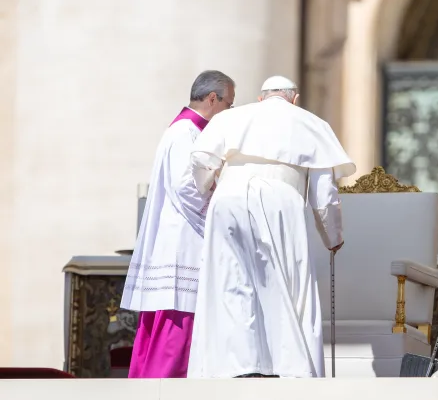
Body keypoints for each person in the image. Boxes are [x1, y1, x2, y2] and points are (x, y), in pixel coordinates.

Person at [184, 75, 355, 378]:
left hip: (228, 198)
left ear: (261, 98)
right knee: (284, 284)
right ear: (295, 99)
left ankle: (235, 367)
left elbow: (199, 160)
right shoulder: (310, 123)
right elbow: (324, 195)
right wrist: (332, 237)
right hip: (281, 201)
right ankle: (287, 368)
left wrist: (209, 189)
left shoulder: (232, 117)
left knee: (232, 283)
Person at [121, 70, 236, 378]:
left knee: (169, 333)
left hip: (181, 240)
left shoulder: (187, 131)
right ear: (213, 99)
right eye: (229, 104)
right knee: (175, 337)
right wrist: (220, 213)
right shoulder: (186, 132)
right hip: (184, 244)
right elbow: (187, 187)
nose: (230, 112)